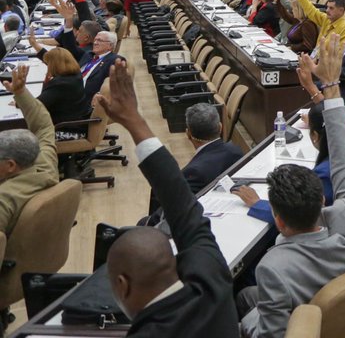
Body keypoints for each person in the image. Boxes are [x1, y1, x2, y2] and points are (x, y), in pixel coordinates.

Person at [237, 33, 345, 338]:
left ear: (279, 220)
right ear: (322, 203)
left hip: (305, 318)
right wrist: (330, 86)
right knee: (246, 297)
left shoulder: (273, 267)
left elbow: (271, 333)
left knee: (242, 304)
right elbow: (344, 160)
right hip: (341, 307)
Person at [98, 59, 240, 336]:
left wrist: (132, 120)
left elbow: (182, 207)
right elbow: (183, 207)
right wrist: (134, 119)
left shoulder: (149, 332)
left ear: (123, 286)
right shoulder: (212, 279)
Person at [242, 99, 345, 223]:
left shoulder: (324, 172)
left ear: (315, 135)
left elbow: (299, 217)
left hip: (341, 230)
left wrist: (257, 204)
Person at [0, 65, 60, 234]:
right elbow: (44, 125)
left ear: (11, 165)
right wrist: (20, 93)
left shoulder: (5, 198)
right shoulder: (45, 162)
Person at [81, 29, 119, 100]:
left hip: (86, 98)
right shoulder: (89, 54)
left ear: (110, 46)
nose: (95, 43)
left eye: (99, 40)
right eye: (95, 40)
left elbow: (115, 86)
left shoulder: (114, 60)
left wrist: (100, 95)